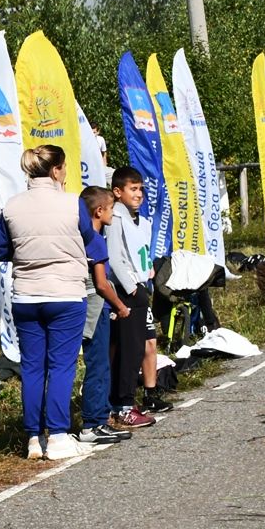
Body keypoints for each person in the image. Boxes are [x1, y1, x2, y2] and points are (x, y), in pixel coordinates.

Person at [0, 145, 102, 460]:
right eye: (64, 168)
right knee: (62, 366)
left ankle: (34, 439)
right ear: (56, 171)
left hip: (26, 296)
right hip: (65, 294)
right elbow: (93, 242)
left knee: (32, 368)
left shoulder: (12, 206)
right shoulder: (72, 203)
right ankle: (59, 437)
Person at [77, 186, 134, 444]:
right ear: (99, 211)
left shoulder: (78, 238)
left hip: (92, 307)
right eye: (111, 208)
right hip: (96, 307)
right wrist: (120, 305)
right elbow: (101, 283)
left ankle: (100, 417)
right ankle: (93, 422)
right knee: (98, 364)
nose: (113, 213)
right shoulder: (96, 240)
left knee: (99, 363)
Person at [106, 166, 156, 428]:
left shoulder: (141, 220)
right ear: (117, 192)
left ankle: (120, 402)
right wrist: (131, 287)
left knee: (135, 347)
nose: (139, 194)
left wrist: (149, 272)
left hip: (141, 285)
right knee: (129, 350)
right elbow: (113, 257)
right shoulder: (115, 218)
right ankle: (123, 405)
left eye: (141, 190)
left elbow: (141, 252)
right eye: (133, 189)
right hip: (127, 290)